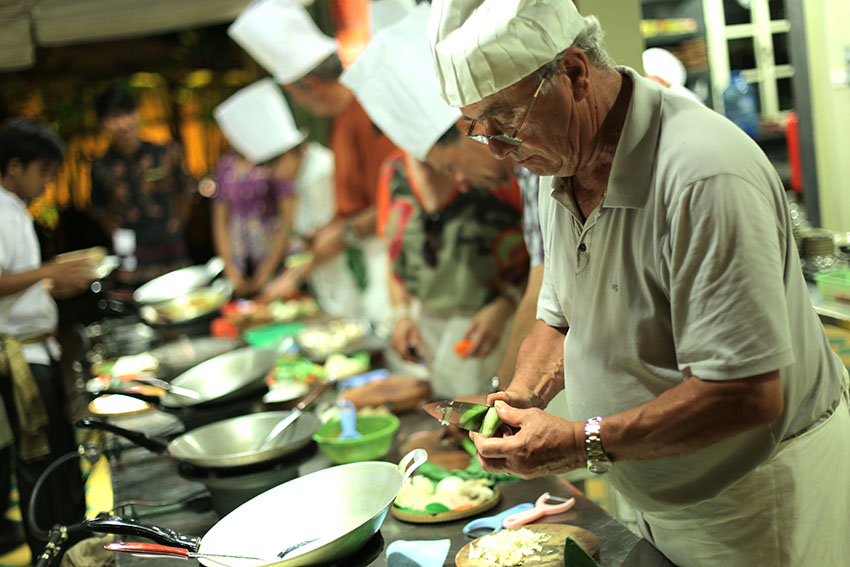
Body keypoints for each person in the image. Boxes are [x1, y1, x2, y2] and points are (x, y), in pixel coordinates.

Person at [429, 1, 850, 566]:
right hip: (647, 487)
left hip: (754, 501)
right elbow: (560, 318)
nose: (500, 151)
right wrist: (519, 398)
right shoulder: (557, 163)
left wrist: (583, 440)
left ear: (576, 74)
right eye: (480, 129)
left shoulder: (702, 173)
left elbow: (745, 394)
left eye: (505, 120)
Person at [341, 5, 529, 397]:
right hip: (429, 333)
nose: (457, 180)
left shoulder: (505, 168)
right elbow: (397, 259)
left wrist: (506, 303)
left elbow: (545, 260)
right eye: (442, 169)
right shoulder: (393, 176)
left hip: (503, 330)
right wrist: (402, 315)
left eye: (449, 167)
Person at [229, 0, 396, 323]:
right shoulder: (342, 118)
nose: (300, 105)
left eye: (295, 95)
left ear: (310, 85)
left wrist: (343, 232)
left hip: (391, 257)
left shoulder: (369, 110)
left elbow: (396, 200)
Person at [0, 118, 90, 558]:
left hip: (40, 346)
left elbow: (18, 283)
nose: (48, 183)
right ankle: (50, 552)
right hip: (20, 355)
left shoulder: (14, 211)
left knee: (57, 454)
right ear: (15, 167)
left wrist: (54, 283)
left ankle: (72, 541)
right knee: (40, 459)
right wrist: (50, 272)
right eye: (44, 172)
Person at [89, 85, 193, 286]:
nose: (122, 123)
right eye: (113, 117)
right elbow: (101, 209)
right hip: (132, 256)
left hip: (171, 249)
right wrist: (119, 237)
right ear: (103, 123)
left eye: (127, 113)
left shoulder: (165, 152)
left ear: (137, 114)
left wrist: (177, 225)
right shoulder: (101, 166)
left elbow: (185, 192)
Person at [211, 79, 306, 298]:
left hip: (276, 259)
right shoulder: (226, 165)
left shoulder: (277, 161)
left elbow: (287, 220)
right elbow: (220, 217)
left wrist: (265, 273)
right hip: (240, 258)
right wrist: (230, 267)